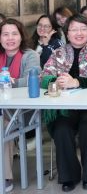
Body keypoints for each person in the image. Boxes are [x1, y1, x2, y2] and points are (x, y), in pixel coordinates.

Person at [41, 14, 87, 192]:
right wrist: (57, 81)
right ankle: (69, 176)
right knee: (62, 128)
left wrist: (76, 82)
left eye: (83, 29)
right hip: (65, 107)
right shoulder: (58, 53)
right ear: (67, 33)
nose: (79, 33)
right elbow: (45, 77)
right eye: (74, 29)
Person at [1, 19, 41, 193]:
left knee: (2, 126)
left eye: (14, 34)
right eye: (5, 34)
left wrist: (11, 82)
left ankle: (4, 176)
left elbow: (33, 79)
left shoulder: (30, 55)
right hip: (2, 106)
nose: (10, 38)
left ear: (21, 36)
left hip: (22, 110)